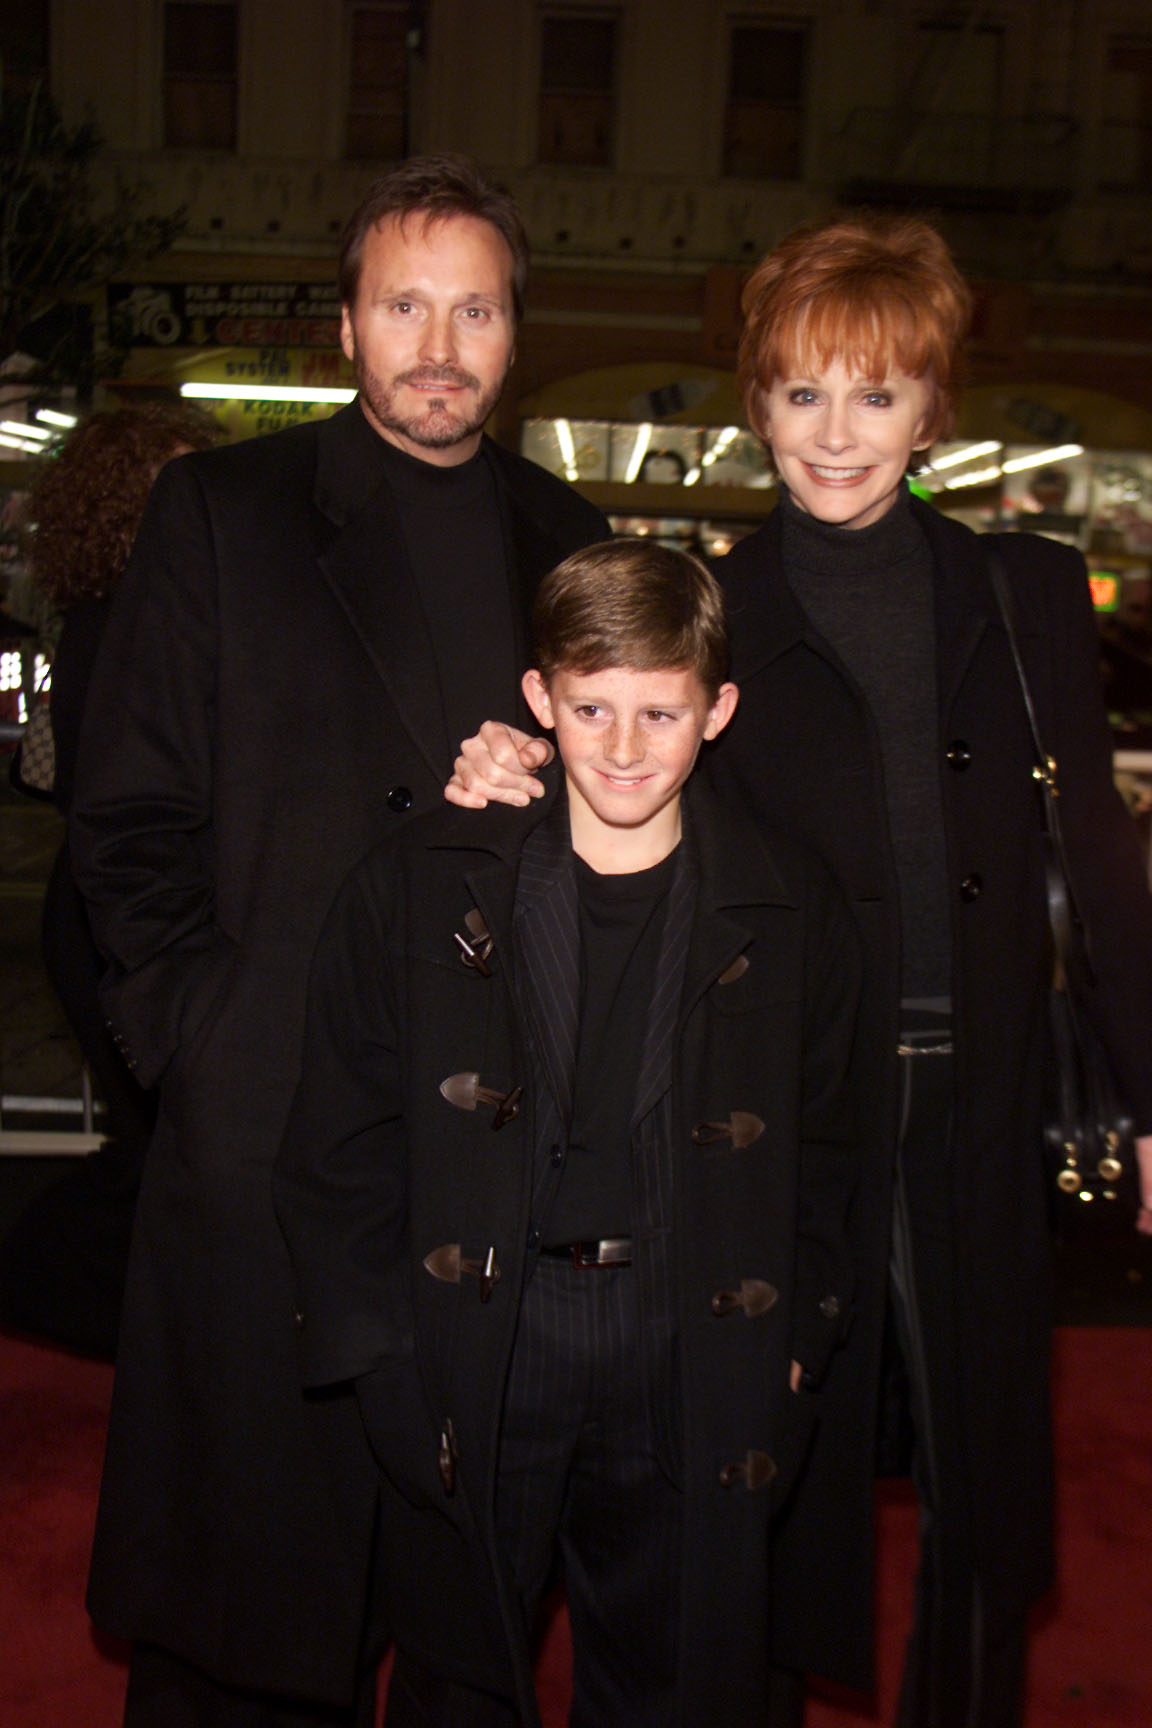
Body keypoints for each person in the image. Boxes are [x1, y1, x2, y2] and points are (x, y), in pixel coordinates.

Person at [446, 214, 1152, 1728]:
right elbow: (618, 766)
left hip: (980, 1091)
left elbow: (1093, 851)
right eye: (805, 395)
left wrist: (1151, 1090)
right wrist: (508, 759)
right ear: (757, 406)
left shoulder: (1021, 590)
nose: (839, 435)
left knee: (981, 1483)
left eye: (877, 396)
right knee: (765, 1460)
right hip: (776, 1104)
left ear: (930, 410)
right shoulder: (715, 607)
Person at [68, 155, 608, 1727]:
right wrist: (201, 1042)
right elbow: (129, 821)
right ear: (347, 326)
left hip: (491, 1159)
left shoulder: (572, 545)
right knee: (240, 1619)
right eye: (404, 305)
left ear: (517, 333)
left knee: (452, 1613)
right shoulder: (223, 514)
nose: (439, 343)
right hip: (269, 1134)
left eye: (477, 308)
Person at [274, 539, 861, 1727]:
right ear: (538, 700)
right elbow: (339, 1140)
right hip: (486, 1335)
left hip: (689, 1337)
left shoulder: (791, 903)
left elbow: (837, 1144)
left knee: (678, 1683)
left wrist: (796, 1343)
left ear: (720, 710)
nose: (628, 747)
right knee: (456, 1676)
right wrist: (381, 1356)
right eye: (592, 707)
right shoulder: (422, 883)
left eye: (662, 710)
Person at [1, 405, 216, 1359]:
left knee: (155, 1151)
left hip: (102, 918)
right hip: (110, 926)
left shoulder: (133, 614)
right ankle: (59, 1298)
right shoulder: (123, 623)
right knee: (159, 1157)